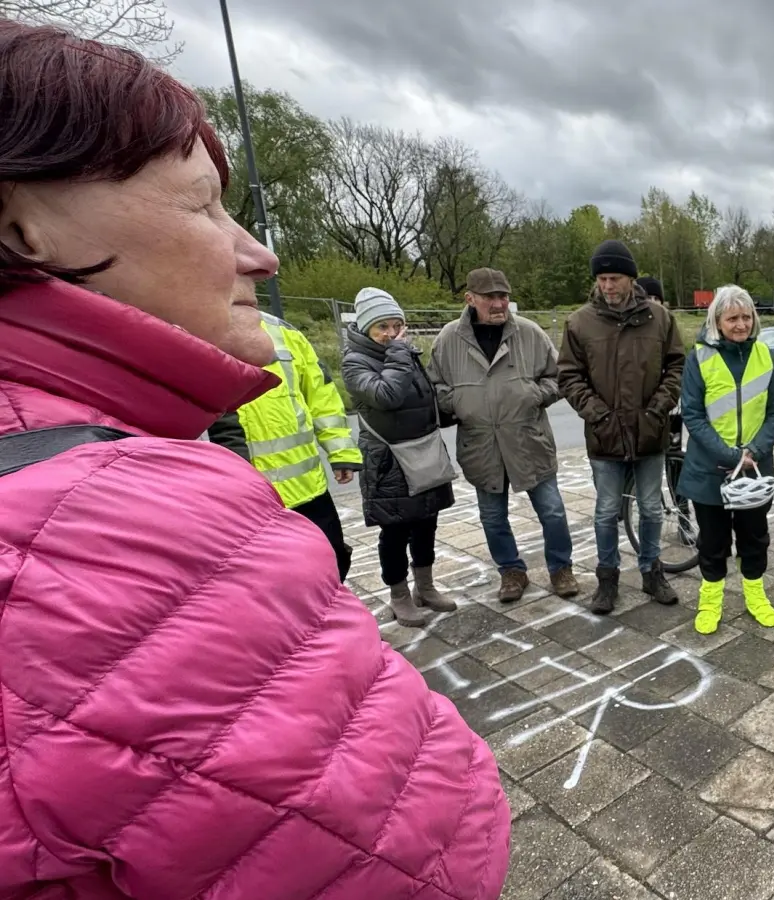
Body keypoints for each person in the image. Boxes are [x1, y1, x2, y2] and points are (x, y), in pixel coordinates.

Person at [0, 21, 508, 898]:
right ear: (22, 222)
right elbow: (415, 854)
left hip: (307, 483)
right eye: (202, 205)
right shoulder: (110, 513)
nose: (259, 254)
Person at [428, 267, 580, 603]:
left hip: (529, 440)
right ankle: (511, 571)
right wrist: (457, 401)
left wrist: (535, 394)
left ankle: (561, 567)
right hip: (481, 446)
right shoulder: (448, 340)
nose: (499, 304)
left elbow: (560, 377)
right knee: (493, 517)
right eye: (490, 297)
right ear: (470, 299)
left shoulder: (529, 333)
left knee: (552, 510)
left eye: (503, 296)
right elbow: (434, 385)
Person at [558, 239, 686, 614]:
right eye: (602, 279)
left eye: (615, 278)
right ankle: (607, 578)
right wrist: (598, 414)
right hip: (605, 436)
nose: (608, 286)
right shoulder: (580, 322)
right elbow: (569, 375)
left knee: (650, 508)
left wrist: (657, 410)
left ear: (630, 279)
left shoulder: (659, 319)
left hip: (649, 434)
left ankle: (651, 571)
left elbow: (676, 366)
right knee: (605, 511)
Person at [205, 313, 362, 581]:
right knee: (272, 583)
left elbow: (320, 395)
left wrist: (341, 451)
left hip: (308, 490)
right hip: (244, 503)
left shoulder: (282, 332)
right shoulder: (184, 326)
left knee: (332, 565)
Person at [342, 288, 457, 626]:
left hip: (422, 452)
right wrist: (398, 352)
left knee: (426, 522)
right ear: (365, 329)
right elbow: (388, 396)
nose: (391, 334)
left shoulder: (402, 353)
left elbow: (426, 399)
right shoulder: (355, 362)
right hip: (388, 460)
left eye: (397, 325)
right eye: (382, 327)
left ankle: (426, 587)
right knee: (394, 532)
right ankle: (399, 596)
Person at [677, 285, 774, 634]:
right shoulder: (699, 358)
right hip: (709, 469)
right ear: (717, 321)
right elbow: (692, 415)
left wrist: (753, 451)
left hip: (754, 467)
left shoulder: (767, 357)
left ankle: (755, 595)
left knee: (755, 536)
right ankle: (711, 601)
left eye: (746, 317)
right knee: (713, 540)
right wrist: (730, 454)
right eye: (732, 318)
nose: (740, 325)